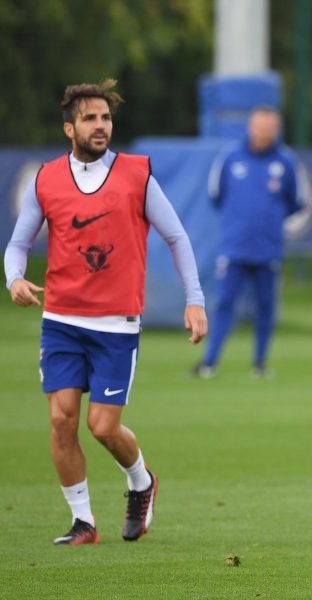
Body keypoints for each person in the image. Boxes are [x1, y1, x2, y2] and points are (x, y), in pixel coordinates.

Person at [3, 80, 207, 545]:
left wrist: (194, 300)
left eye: (106, 118)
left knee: (102, 427)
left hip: (116, 324)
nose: (100, 126)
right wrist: (14, 278)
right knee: (61, 420)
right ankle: (83, 522)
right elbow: (17, 244)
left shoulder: (137, 174)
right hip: (61, 320)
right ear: (69, 128)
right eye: (90, 118)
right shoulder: (46, 179)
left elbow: (177, 237)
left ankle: (141, 481)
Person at [194, 107, 305, 379]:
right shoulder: (230, 157)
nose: (264, 132)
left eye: (269, 127)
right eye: (260, 126)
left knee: (266, 307)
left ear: (277, 130)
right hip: (234, 248)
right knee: (224, 304)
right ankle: (209, 362)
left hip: (268, 249)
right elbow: (216, 195)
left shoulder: (286, 161)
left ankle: (259, 363)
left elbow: (296, 201)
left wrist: (271, 221)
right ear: (250, 127)